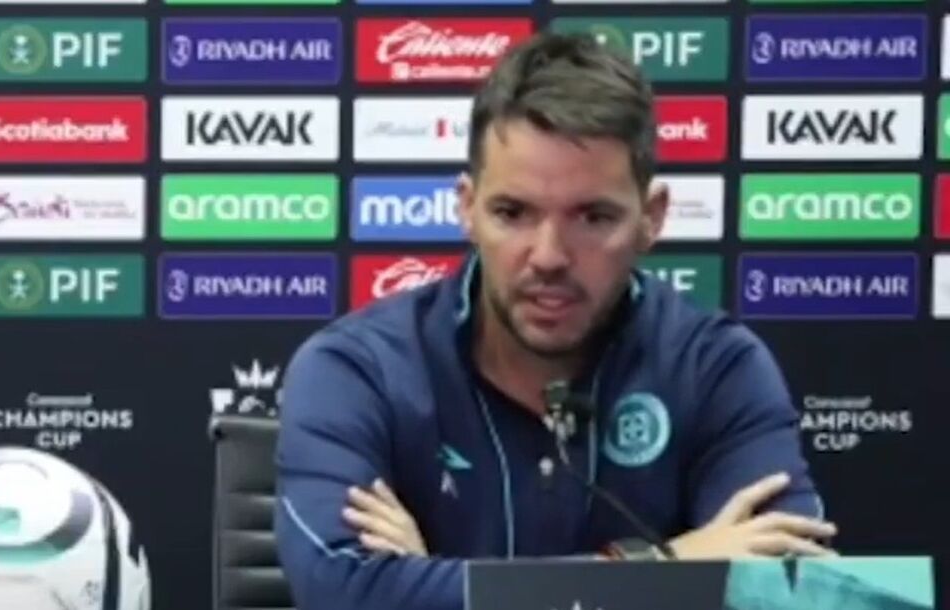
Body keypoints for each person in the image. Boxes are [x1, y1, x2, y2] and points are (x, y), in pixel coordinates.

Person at [272, 31, 834, 610]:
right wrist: (668, 564)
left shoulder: (717, 368)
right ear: (466, 208)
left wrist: (431, 582)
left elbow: (789, 591)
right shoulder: (358, 369)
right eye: (512, 213)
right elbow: (345, 592)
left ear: (652, 218)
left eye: (592, 217)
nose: (547, 256)